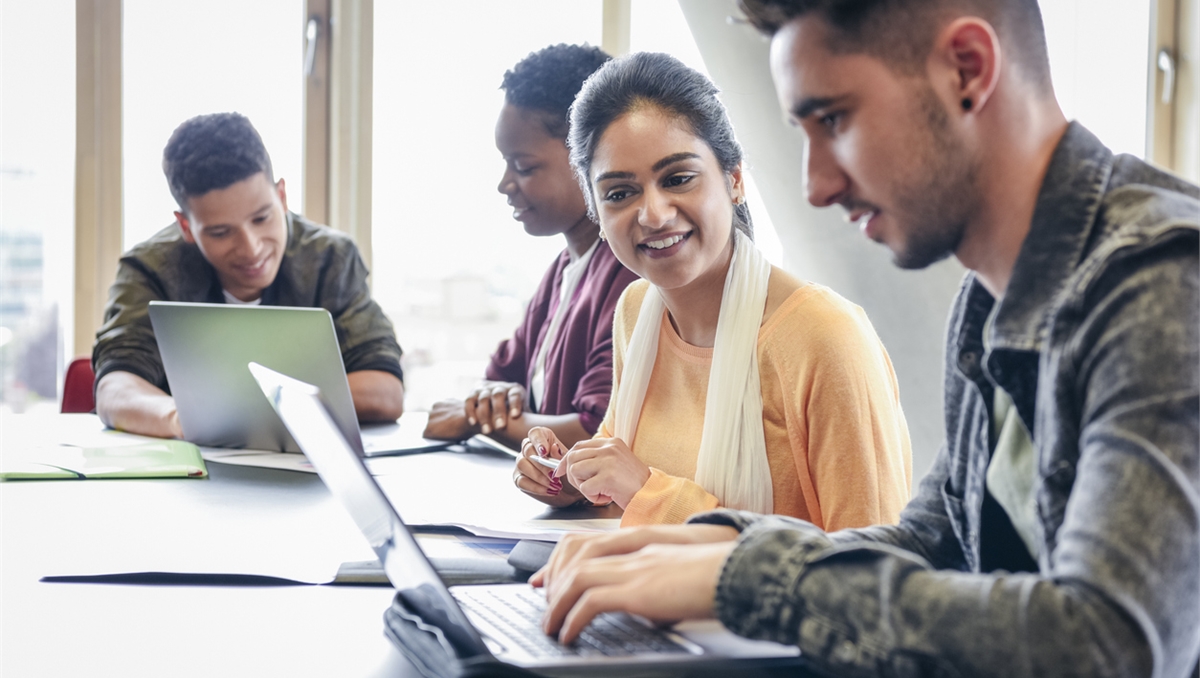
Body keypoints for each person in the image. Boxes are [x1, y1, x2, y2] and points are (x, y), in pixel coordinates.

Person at [532, 1, 1200, 675]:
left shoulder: (1163, 282)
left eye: (835, 120)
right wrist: (704, 548)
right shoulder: (987, 298)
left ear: (968, 70)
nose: (816, 186)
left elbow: (1110, 643)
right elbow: (933, 543)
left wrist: (751, 578)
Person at [516, 52, 912, 529]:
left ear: (735, 180)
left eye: (678, 179)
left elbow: (871, 562)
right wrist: (567, 478)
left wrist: (649, 493)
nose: (654, 215)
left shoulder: (824, 337)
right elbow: (621, 481)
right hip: (645, 577)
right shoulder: (636, 312)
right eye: (620, 193)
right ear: (597, 214)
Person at [93, 112, 405, 439]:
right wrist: (183, 420)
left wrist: (240, 409)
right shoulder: (150, 269)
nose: (251, 248)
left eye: (261, 218)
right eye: (221, 232)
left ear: (281, 197)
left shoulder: (330, 259)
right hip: (192, 462)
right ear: (186, 226)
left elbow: (385, 390)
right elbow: (115, 388)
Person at [423, 44, 639, 456]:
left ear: (589, 156)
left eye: (523, 166)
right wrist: (492, 404)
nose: (505, 184)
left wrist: (477, 419)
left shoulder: (630, 273)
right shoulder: (562, 271)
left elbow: (596, 432)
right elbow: (498, 380)